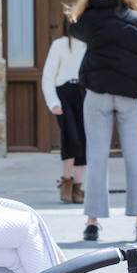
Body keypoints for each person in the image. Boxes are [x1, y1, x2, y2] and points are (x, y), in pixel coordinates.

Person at [67, 0, 137, 242]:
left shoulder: (87, 18)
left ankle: (92, 222)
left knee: (96, 157)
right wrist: (135, 72)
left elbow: (74, 27)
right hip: (130, 96)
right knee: (135, 159)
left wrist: (89, 2)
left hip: (96, 93)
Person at [40, 21, 87, 203]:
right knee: (71, 138)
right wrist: (53, 101)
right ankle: (66, 182)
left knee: (83, 141)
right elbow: (48, 75)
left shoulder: (89, 44)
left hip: (84, 94)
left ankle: (78, 187)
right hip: (64, 95)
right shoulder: (59, 45)